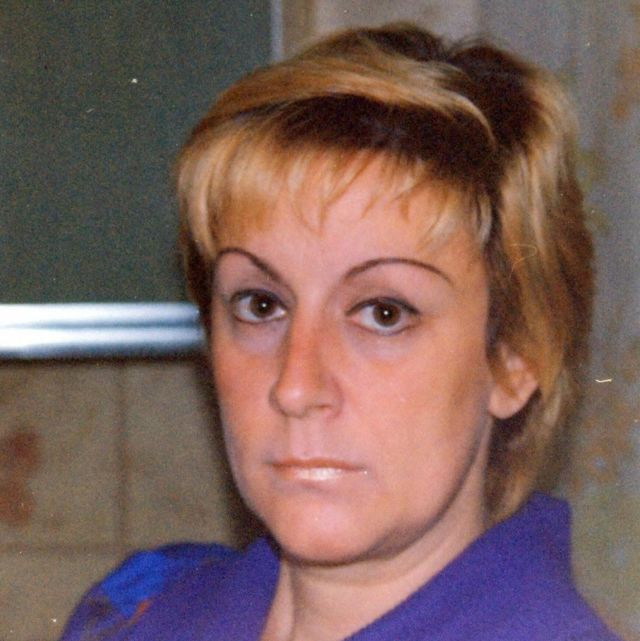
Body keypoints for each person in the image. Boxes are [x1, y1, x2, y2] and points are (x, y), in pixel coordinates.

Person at [60, 23, 622, 641]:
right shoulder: (137, 615)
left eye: (384, 313)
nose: (296, 387)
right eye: (261, 305)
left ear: (517, 357)